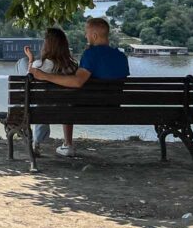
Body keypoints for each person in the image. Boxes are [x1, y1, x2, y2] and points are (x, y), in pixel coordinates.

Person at [29, 17, 129, 157]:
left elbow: (77, 82)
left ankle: (67, 145)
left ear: (94, 35)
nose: (85, 35)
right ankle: (67, 144)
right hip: (114, 107)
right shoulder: (121, 57)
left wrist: (44, 76)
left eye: (86, 32)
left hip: (88, 109)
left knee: (67, 97)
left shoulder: (91, 54)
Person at [24, 27, 78, 156]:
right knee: (56, 103)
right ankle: (68, 143)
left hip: (43, 110)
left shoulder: (39, 65)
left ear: (47, 45)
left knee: (40, 103)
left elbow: (28, 80)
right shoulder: (73, 66)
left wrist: (30, 60)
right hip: (66, 110)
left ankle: (36, 144)